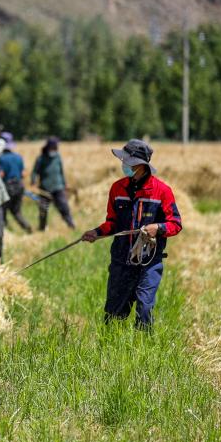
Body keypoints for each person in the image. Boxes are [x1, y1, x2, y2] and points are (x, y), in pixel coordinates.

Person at [82, 139, 182, 329]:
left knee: (144, 309)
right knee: (113, 315)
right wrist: (95, 232)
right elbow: (112, 223)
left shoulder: (162, 191)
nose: (123, 165)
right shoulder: (117, 188)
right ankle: (111, 350)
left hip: (149, 261)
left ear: (140, 165)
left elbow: (175, 224)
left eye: (127, 162)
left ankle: (143, 349)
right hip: (121, 259)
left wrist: (158, 228)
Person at [31, 136, 75, 231]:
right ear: (48, 147)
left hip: (58, 187)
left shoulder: (58, 157)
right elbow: (35, 172)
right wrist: (33, 182)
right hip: (44, 189)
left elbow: (61, 171)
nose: (55, 149)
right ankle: (42, 228)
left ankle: (71, 226)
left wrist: (64, 183)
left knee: (64, 208)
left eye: (56, 147)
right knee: (43, 210)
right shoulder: (41, 158)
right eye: (53, 147)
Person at [0, 131, 32, 233]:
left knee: (2, 210)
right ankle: (27, 227)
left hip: (7, 187)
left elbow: (1, 174)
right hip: (19, 186)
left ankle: (6, 231)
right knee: (16, 211)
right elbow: (23, 174)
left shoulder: (0, 159)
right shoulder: (18, 157)